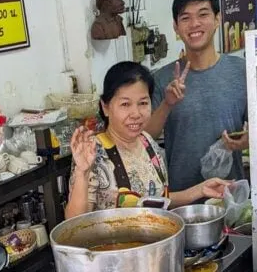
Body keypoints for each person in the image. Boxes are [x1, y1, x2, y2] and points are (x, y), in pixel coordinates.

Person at [65, 61, 229, 219]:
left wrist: (200, 190)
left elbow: (159, 201)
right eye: (125, 104)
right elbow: (74, 221)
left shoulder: (146, 141)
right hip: (115, 247)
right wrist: (82, 172)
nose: (136, 113)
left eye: (143, 103)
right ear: (106, 107)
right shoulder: (94, 152)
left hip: (155, 243)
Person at [147, 0, 248, 192]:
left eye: (203, 14)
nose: (194, 24)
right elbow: (145, 137)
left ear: (218, 19)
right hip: (182, 202)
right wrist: (167, 103)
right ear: (175, 26)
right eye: (185, 18)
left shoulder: (241, 71)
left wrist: (250, 140)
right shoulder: (162, 78)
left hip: (230, 195)